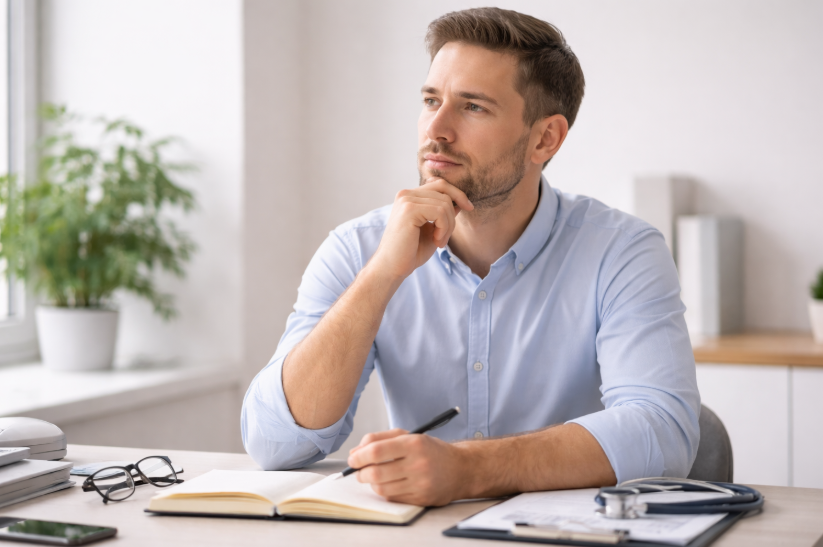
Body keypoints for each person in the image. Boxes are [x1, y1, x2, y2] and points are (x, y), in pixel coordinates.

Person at [241, 7, 700, 507]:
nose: (436, 129)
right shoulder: (358, 248)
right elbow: (274, 444)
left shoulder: (623, 251)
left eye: (473, 107)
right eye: (430, 100)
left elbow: (662, 431)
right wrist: (380, 275)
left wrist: (469, 469)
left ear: (545, 139)